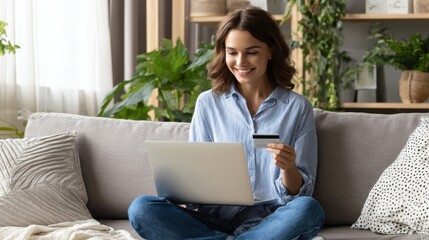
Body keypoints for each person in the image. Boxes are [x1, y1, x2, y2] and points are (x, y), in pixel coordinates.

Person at [128, 6, 325, 240]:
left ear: (270, 51)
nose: (240, 62)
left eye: (251, 52)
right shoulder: (207, 103)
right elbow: (196, 178)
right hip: (216, 217)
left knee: (308, 209)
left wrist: (288, 167)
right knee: (141, 208)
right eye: (232, 52)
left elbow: (300, 193)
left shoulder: (298, 108)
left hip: (271, 217)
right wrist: (185, 186)